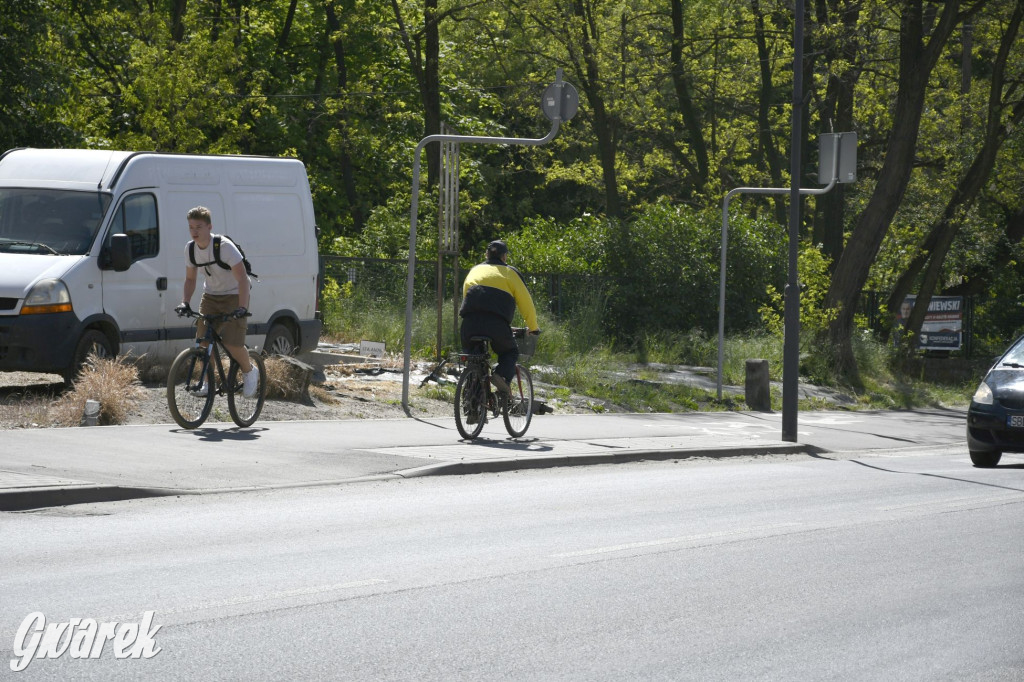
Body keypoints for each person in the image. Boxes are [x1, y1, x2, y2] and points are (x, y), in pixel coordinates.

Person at [175, 206, 259, 398]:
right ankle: (206, 383)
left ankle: (249, 370)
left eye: (199, 227)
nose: (194, 231)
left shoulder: (224, 247)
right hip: (211, 296)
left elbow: (243, 280)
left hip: (234, 295)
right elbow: (190, 279)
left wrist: (242, 307)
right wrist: (185, 302)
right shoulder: (190, 249)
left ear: (209, 227)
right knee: (203, 343)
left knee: (232, 343)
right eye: (191, 227)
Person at [460, 239, 540, 394]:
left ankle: (472, 404)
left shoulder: (475, 270)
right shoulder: (511, 273)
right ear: (504, 257)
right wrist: (533, 327)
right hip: (496, 325)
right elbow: (526, 302)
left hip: (469, 323)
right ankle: (501, 377)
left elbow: (466, 296)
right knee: (510, 352)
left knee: (472, 359)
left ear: (486, 254)